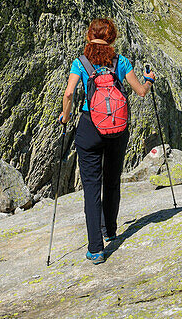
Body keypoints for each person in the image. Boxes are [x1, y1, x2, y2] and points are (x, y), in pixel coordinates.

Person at [59, 17, 156, 264]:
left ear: (88, 37)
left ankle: (96, 249)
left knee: (91, 185)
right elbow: (141, 92)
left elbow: (69, 93)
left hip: (89, 127)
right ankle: (110, 230)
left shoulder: (80, 63)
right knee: (112, 180)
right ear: (112, 38)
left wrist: (65, 116)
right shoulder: (120, 62)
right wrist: (149, 79)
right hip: (117, 129)